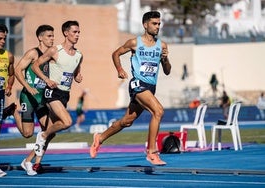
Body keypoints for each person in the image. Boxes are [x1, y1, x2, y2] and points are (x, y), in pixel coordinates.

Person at [90, 11, 171, 166]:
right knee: (158, 111)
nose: (157, 27)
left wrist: (165, 59)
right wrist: (120, 70)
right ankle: (152, 152)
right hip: (137, 84)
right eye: (154, 23)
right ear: (145, 24)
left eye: (159, 24)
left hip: (150, 87)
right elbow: (116, 54)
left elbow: (167, 71)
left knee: (127, 121)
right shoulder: (135, 43)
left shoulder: (162, 45)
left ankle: (99, 138)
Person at [31, 20, 83, 157]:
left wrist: (78, 76)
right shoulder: (55, 50)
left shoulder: (79, 55)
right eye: (74, 32)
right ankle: (42, 134)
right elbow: (35, 66)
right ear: (66, 33)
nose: (77, 35)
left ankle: (29, 161)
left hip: (65, 94)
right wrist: (47, 80)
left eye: (79, 32)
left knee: (53, 131)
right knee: (67, 122)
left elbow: (76, 72)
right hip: (52, 92)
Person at [13, 25, 55, 176]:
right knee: (27, 134)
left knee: (49, 131)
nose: (52, 39)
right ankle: (14, 112)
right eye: (49, 36)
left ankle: (30, 160)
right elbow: (18, 70)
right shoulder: (33, 53)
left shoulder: (52, 54)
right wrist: (27, 87)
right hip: (28, 97)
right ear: (40, 37)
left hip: (42, 98)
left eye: (53, 36)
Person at [0, 23, 16, 177]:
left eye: (4, 38)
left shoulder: (8, 56)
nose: (2, 41)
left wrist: (9, 87)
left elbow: (11, 74)